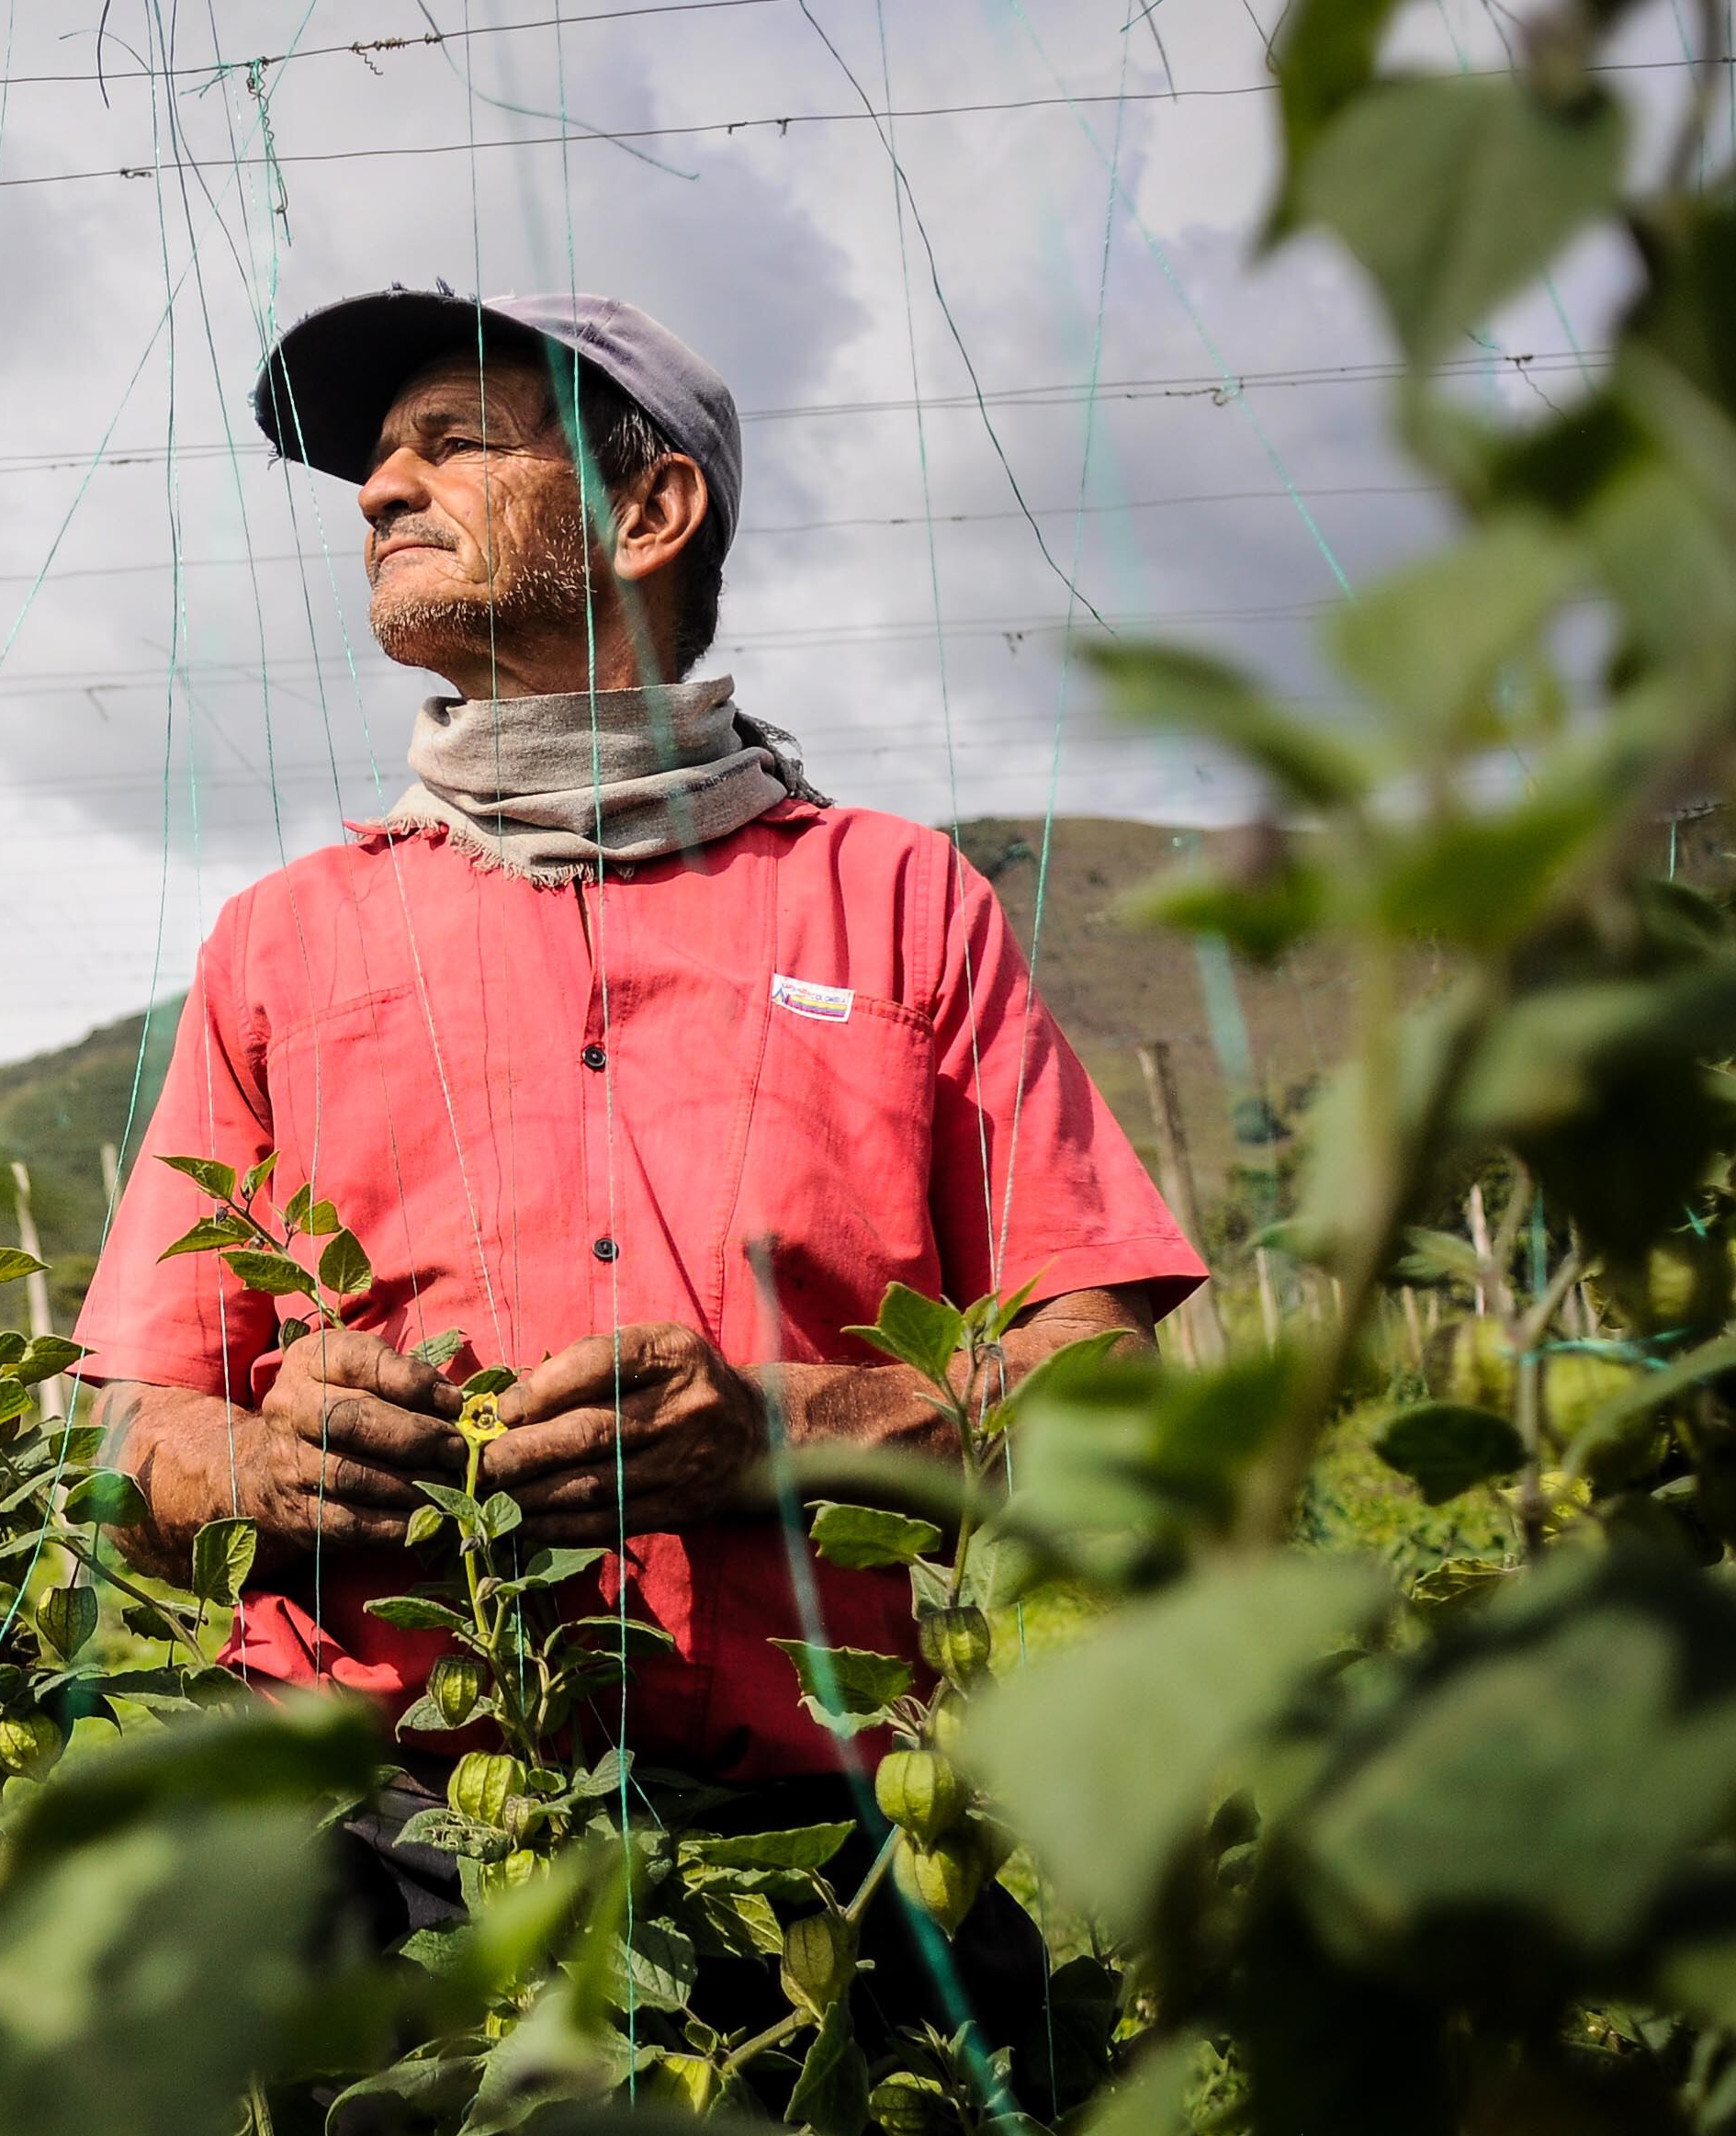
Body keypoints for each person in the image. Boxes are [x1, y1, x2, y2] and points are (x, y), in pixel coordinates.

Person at [72, 287, 1208, 1965]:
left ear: (650, 510)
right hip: (367, 1857)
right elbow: (127, 1437)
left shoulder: (895, 904)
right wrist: (254, 1461)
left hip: (816, 1870)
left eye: (453, 444)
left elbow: (1099, 1384)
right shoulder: (282, 941)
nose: (382, 491)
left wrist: (778, 1430)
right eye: (374, 463)